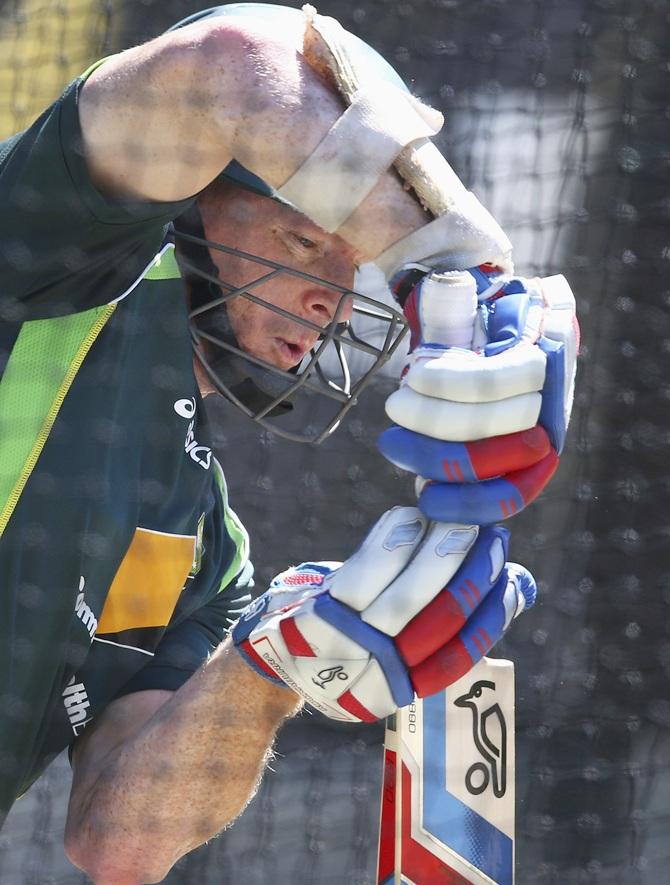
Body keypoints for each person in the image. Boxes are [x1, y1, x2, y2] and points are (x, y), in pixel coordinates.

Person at [0, 3, 577, 882]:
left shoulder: (207, 551)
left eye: (352, 266)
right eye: (305, 239)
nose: (332, 299)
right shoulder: (57, 261)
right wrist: (461, 261)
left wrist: (273, 663)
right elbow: (228, 62)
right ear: (193, 198)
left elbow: (122, 841)